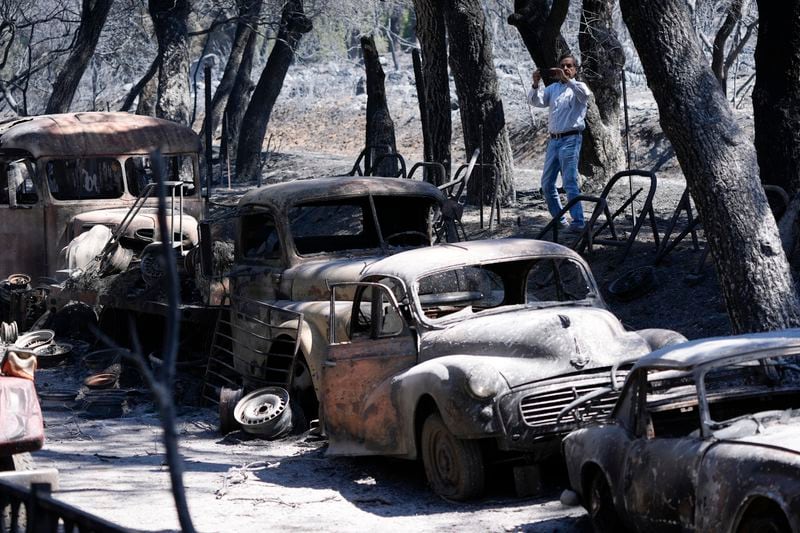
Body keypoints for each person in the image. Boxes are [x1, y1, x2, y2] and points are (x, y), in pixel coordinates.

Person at [528, 53, 592, 232]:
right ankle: (559, 220)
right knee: (547, 183)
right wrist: (535, 83)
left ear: (575, 69)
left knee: (570, 181)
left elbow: (585, 95)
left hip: (571, 138)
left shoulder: (578, 87)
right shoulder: (554, 88)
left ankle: (578, 222)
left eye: (569, 66)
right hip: (554, 140)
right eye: (562, 66)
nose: (565, 69)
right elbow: (536, 101)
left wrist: (568, 80)